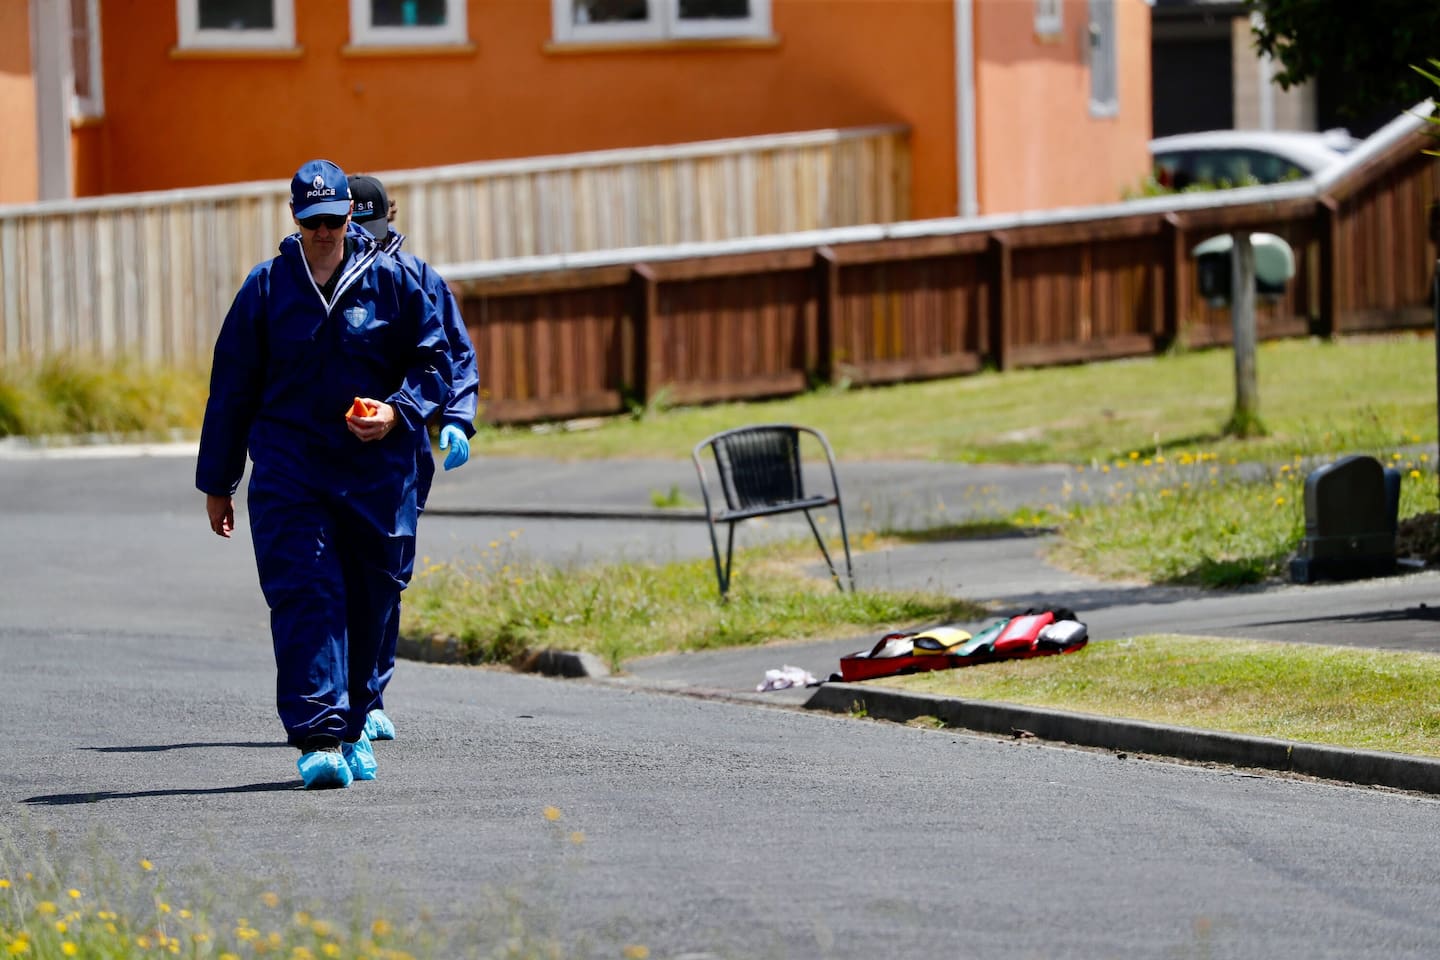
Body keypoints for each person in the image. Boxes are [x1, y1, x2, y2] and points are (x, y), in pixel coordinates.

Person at [196, 158, 453, 789]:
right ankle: (317, 738)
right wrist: (219, 482)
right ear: (294, 219)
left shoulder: (393, 283)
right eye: (313, 223)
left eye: (335, 220)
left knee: (370, 600)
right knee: (306, 595)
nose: (325, 232)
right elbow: (231, 390)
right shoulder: (265, 289)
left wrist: (399, 412)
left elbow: (435, 362)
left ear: (349, 215)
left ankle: (359, 718)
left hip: (374, 474)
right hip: (291, 472)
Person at [347, 173, 481, 744]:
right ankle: (341, 699)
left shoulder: (417, 279)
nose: (357, 238)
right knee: (333, 577)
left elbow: (451, 354)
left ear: (388, 221)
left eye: (367, 227)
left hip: (399, 449)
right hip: (333, 448)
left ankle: (371, 693)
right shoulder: (313, 281)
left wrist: (453, 418)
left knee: (385, 575)